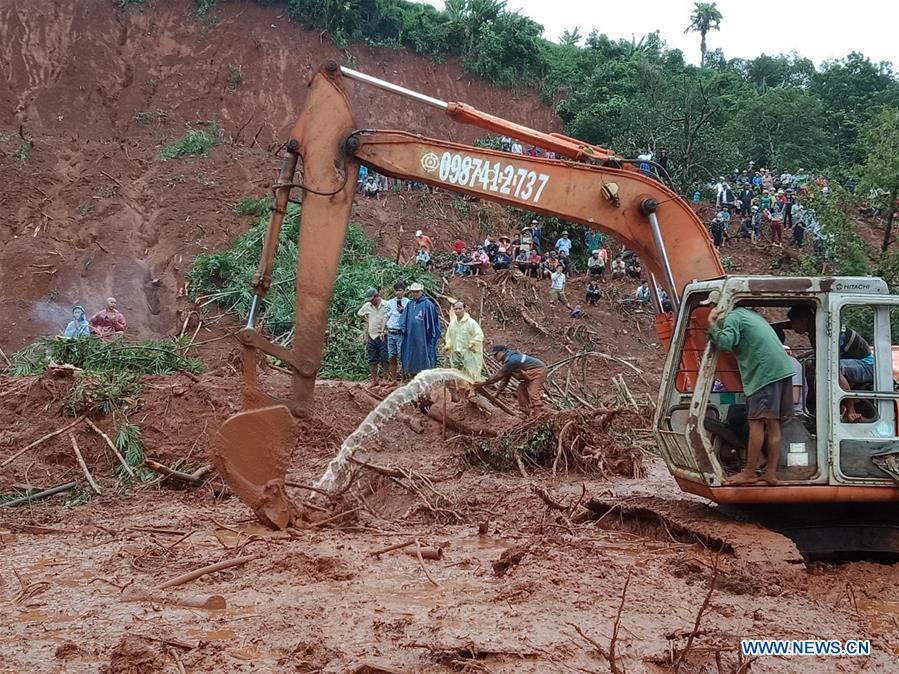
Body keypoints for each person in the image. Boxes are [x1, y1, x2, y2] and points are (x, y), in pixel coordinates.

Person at [705, 292, 795, 485]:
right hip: (781, 371)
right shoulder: (750, 315)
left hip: (765, 374)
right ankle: (770, 473)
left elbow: (725, 343)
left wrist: (711, 324)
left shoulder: (733, 317)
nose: (712, 309)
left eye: (713, 305)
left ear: (722, 305)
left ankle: (749, 472)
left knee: (755, 422)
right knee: (773, 425)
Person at [475, 345, 547, 415]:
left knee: (533, 393)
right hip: (530, 374)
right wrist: (497, 393)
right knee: (521, 390)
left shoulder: (512, 360)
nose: (495, 357)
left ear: (503, 352)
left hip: (538, 372)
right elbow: (505, 379)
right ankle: (528, 412)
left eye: (496, 354)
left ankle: (538, 415)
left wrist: (482, 383)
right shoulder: (510, 360)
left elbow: (498, 376)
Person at [401, 282, 441, 377]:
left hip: (423, 337)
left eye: (417, 291)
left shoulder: (428, 304)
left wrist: (431, 335)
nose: (415, 294)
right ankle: (413, 376)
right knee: (411, 355)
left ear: (421, 292)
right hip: (411, 337)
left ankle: (426, 378)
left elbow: (432, 322)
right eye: (413, 292)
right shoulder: (410, 304)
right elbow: (404, 320)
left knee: (424, 355)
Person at [443, 300, 485, 381]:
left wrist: (472, 343)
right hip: (456, 354)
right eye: (456, 309)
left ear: (464, 309)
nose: (457, 311)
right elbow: (449, 337)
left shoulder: (471, 323)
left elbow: (479, 335)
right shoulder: (452, 324)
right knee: (458, 375)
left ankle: (471, 391)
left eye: (460, 308)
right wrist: (448, 345)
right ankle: (460, 391)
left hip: (469, 354)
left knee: (470, 374)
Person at [357, 288, 389, 387]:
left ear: (377, 297)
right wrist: (367, 320)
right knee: (372, 358)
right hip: (372, 335)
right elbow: (359, 314)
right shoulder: (367, 306)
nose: (371, 301)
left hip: (384, 334)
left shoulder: (386, 305)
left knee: (385, 357)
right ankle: (374, 380)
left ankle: (385, 379)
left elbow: (391, 316)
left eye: (372, 299)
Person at [384, 282, 409, 384]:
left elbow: (409, 317)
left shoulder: (408, 302)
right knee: (392, 356)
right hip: (391, 332)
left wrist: (403, 311)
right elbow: (386, 316)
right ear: (394, 291)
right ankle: (394, 380)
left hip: (401, 333)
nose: (398, 292)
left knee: (402, 356)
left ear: (404, 291)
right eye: (396, 290)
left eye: (400, 290)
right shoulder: (389, 302)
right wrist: (383, 329)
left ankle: (403, 379)